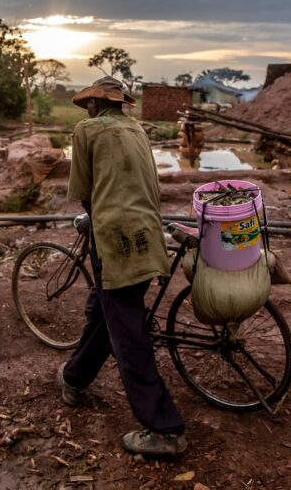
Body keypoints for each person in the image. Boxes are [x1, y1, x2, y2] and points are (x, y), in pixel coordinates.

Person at [57, 76, 187, 457]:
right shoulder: (137, 129)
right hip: (147, 236)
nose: (88, 111)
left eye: (90, 106)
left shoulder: (87, 130)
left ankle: (164, 428)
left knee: (127, 332)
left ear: (96, 105)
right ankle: (74, 378)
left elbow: (83, 190)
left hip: (115, 239)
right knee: (107, 311)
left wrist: (94, 218)